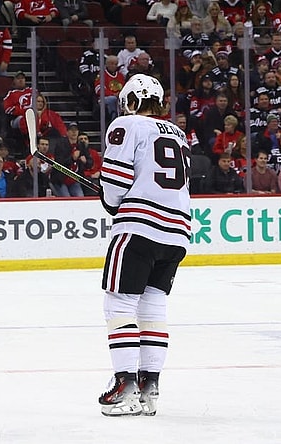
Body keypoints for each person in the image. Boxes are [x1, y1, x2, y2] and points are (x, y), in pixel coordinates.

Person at [98, 74, 191, 417]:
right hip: (177, 232)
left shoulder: (127, 125)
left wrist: (109, 199)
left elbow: (115, 186)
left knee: (119, 304)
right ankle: (149, 388)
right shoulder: (178, 134)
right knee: (152, 307)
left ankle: (125, 387)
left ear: (133, 101)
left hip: (139, 227)